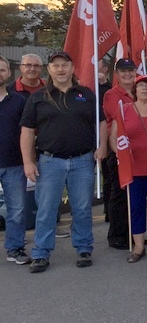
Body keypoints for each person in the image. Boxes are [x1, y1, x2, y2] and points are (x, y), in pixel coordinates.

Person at [20, 51, 107, 273]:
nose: (60, 69)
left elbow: (101, 122)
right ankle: (41, 253)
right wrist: (28, 162)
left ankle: (84, 248)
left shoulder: (86, 94)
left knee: (82, 209)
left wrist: (102, 146)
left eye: (65, 65)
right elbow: (27, 131)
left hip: (82, 161)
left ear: (72, 68)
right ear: (49, 70)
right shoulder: (38, 97)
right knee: (46, 210)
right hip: (49, 162)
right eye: (56, 65)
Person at [110, 75, 147, 263]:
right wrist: (120, 153)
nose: (144, 89)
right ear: (135, 91)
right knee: (135, 208)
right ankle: (138, 247)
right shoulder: (124, 110)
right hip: (133, 170)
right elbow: (114, 137)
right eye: (141, 86)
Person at [102, 57, 137, 248]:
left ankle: (133, 234)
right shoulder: (112, 94)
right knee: (120, 195)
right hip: (118, 150)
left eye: (130, 70)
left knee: (134, 195)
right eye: (123, 71)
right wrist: (145, 102)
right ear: (117, 74)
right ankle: (116, 235)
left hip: (138, 150)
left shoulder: (140, 90)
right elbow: (121, 116)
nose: (127, 74)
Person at [0, 55, 31, 265]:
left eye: (2, 70)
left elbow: (27, 133)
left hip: (14, 164)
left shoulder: (19, 101)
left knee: (17, 211)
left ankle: (15, 248)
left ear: (9, 73)